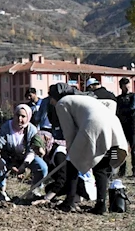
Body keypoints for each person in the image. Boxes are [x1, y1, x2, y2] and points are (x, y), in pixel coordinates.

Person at [49, 83, 129, 214]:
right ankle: (101, 205)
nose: (51, 101)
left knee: (72, 164)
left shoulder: (62, 103)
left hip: (94, 125)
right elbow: (108, 105)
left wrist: (70, 150)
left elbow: (68, 132)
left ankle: (68, 203)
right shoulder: (85, 98)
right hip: (113, 125)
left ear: (56, 96)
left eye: (51, 97)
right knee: (101, 167)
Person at [0, 104, 48, 202]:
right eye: (17, 115)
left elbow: (32, 150)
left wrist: (23, 166)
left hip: (26, 157)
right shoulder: (6, 127)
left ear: (28, 117)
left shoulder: (32, 130)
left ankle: (34, 191)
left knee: (42, 166)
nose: (19, 119)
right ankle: (2, 192)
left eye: (23, 116)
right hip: (9, 156)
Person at [116, 77, 135, 177]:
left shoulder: (133, 96)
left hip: (132, 126)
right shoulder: (118, 98)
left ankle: (134, 170)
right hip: (122, 126)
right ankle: (121, 171)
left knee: (134, 149)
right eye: (125, 86)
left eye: (128, 85)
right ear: (121, 87)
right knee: (121, 149)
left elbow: (132, 107)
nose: (127, 88)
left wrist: (122, 112)